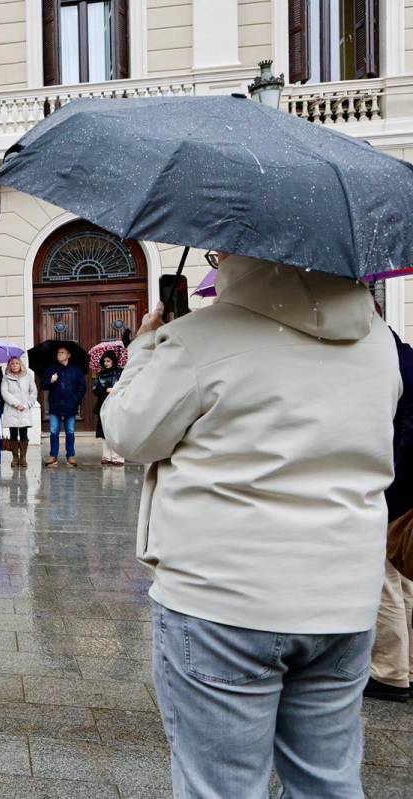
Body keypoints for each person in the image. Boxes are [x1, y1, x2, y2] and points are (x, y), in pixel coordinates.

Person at [101, 255, 402, 798]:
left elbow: (128, 434)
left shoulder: (201, 338)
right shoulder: (378, 341)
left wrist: (146, 350)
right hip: (343, 596)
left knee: (221, 786)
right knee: (328, 780)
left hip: (225, 599)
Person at [366, 328, 413, 702]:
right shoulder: (405, 357)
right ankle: (408, 666)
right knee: (402, 578)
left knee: (383, 578)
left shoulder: (386, 363)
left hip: (395, 483)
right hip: (404, 484)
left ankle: (389, 671)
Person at [42, 346, 86, 467]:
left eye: (62, 352)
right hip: (55, 404)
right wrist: (51, 380)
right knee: (54, 431)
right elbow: (43, 385)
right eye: (58, 352)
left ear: (68, 355)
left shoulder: (76, 369)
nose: (59, 354)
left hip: (70, 405)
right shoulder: (52, 368)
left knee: (70, 431)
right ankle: (53, 456)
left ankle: (70, 455)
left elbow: (82, 386)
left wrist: (77, 400)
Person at [0, 356, 36, 468]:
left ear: (20, 365)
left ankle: (23, 458)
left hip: (24, 410)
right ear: (9, 366)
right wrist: (16, 404)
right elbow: (4, 392)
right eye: (12, 364)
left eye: (17, 363)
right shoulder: (6, 378)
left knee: (24, 433)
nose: (14, 365)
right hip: (12, 409)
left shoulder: (28, 376)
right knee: (13, 433)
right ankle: (15, 457)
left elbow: (33, 392)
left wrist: (27, 404)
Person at [92, 352, 125, 466]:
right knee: (105, 431)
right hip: (104, 404)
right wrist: (106, 390)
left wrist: (117, 390)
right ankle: (106, 456)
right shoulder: (101, 374)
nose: (106, 363)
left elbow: (127, 386)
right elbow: (95, 389)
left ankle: (118, 457)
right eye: (104, 361)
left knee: (116, 431)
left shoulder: (121, 373)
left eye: (108, 361)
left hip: (117, 404)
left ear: (113, 361)